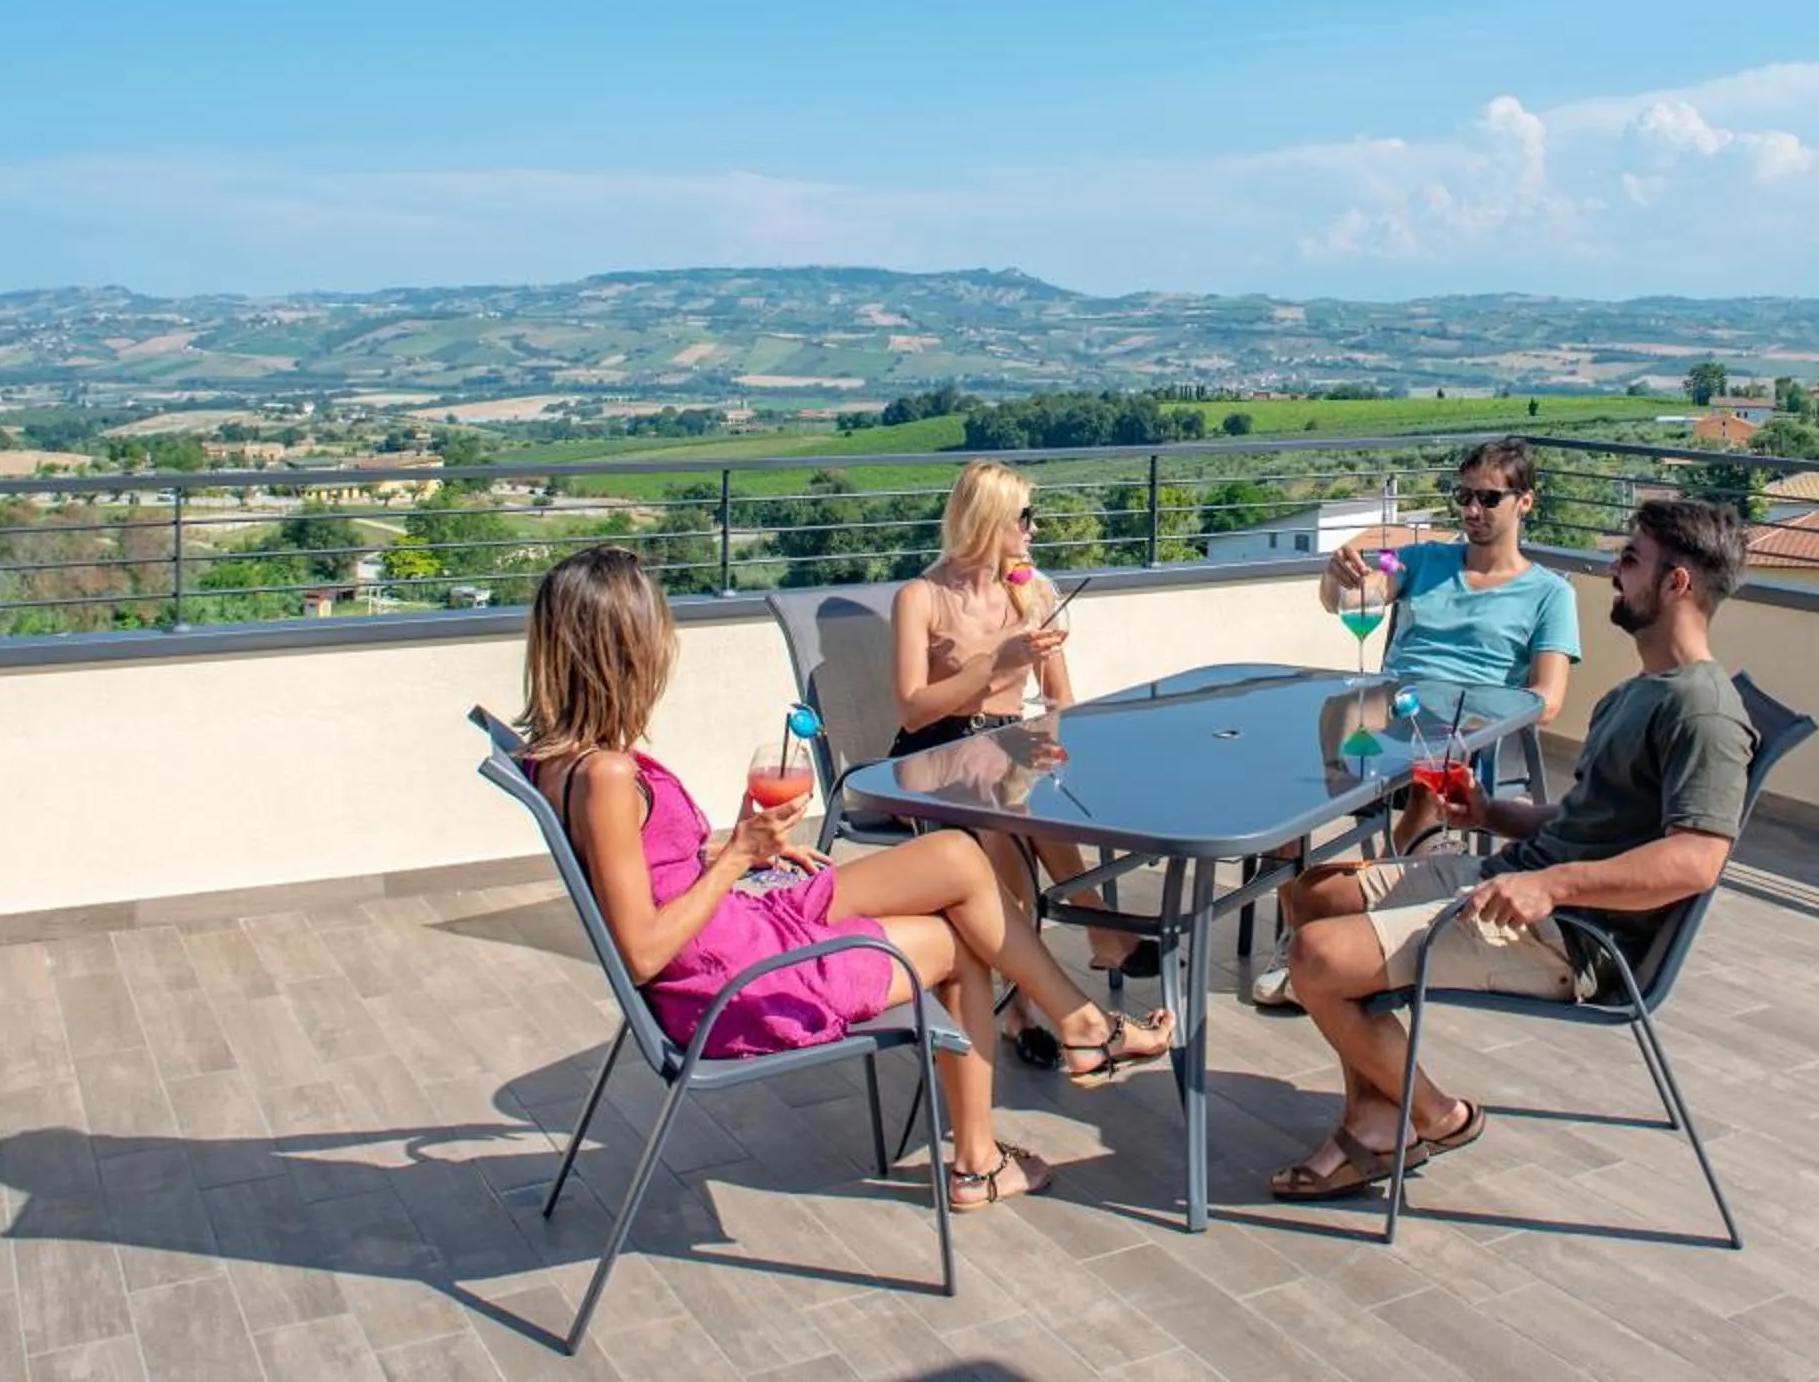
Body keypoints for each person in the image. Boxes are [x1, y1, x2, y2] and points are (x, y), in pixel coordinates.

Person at [517, 545, 1171, 1212]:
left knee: (954, 856)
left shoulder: (564, 760)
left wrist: (734, 854)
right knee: (963, 942)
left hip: (738, 927)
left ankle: (1084, 1027)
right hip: (732, 978)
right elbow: (643, 951)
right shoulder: (607, 777)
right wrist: (739, 855)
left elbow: (647, 877)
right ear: (623, 650)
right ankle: (983, 1157)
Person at [1264, 496, 1756, 1201]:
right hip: (1516, 877)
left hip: (1569, 934)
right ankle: (1378, 1113)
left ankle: (1433, 1115)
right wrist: (1494, 812)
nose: (1613, 570)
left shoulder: (1701, 711)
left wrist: (1552, 887)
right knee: (1312, 895)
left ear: (1677, 584)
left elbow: (1695, 862)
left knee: (1316, 958)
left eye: (1630, 559)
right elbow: (1590, 819)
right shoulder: (1638, 691)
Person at [1247, 436, 1581, 1008]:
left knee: (1439, 760)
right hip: (1390, 708)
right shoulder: (1425, 561)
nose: (1472, 511)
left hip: (1464, 723)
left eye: (1488, 499)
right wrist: (1340, 579)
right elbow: (1353, 600)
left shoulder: (1550, 594)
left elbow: (1546, 699)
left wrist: (1477, 712)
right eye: (1464, 496)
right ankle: (1299, 933)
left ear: (1526, 502)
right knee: (1290, 769)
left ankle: (1358, 926)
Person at [891, 461, 1152, 1069]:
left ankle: (1044, 984)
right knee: (1006, 816)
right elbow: (910, 711)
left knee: (1028, 794)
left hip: (1010, 747)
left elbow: (1058, 698)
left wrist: (1063, 746)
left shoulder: (1031, 591)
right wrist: (992, 663)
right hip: (935, 756)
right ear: (988, 523)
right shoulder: (920, 598)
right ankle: (1068, 965)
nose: (1034, 529)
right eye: (1025, 518)